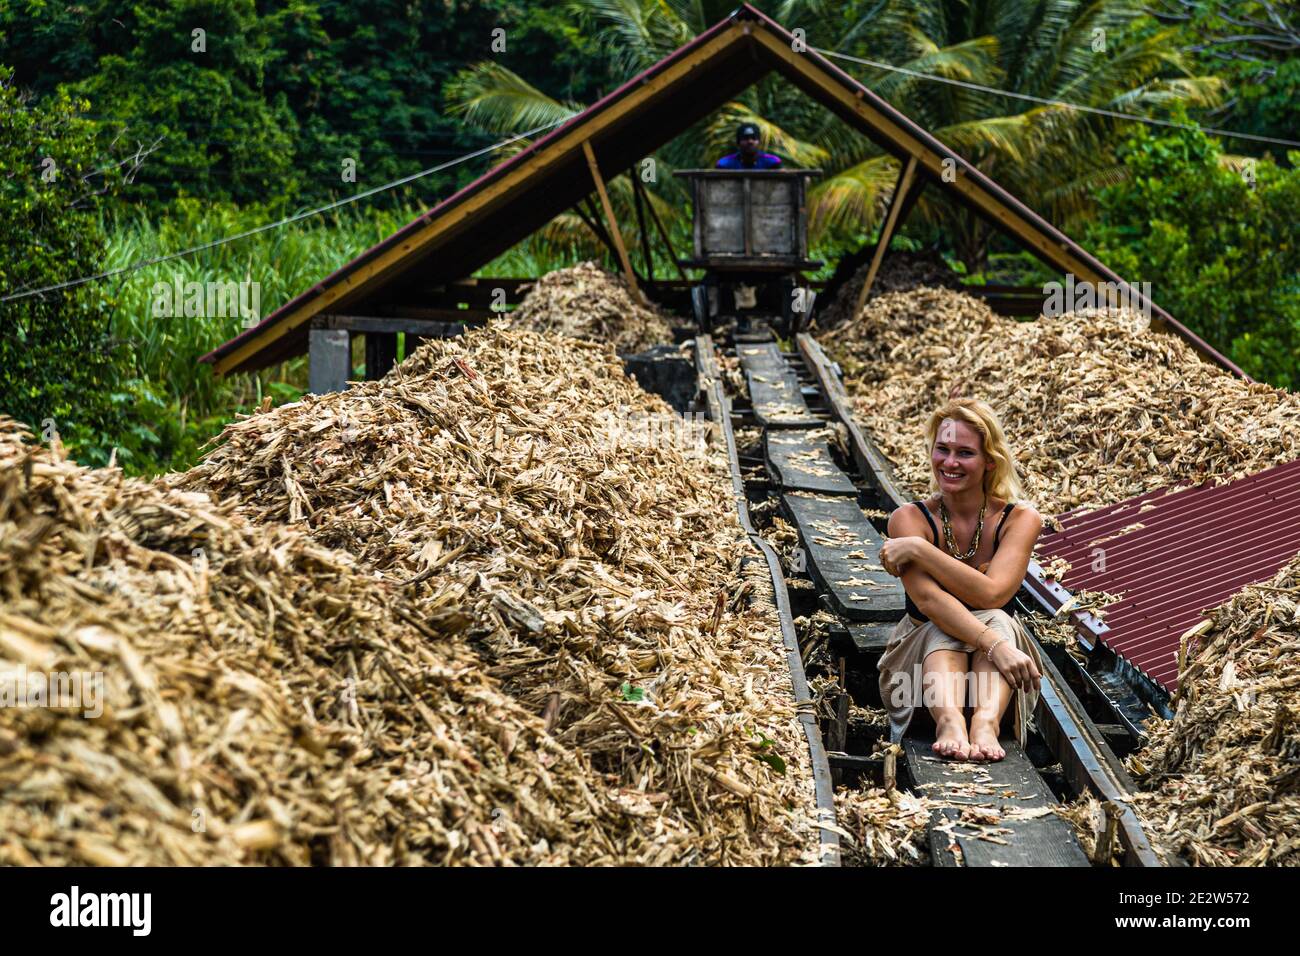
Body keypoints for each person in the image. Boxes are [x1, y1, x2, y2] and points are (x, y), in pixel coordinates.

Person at [875, 398, 1044, 763]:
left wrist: (921, 551)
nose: (949, 463)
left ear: (989, 461)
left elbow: (992, 593)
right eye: (943, 449)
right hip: (917, 683)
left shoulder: (1020, 519)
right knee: (945, 624)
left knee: (996, 616)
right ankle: (950, 720)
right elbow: (929, 601)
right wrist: (995, 644)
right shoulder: (909, 519)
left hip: (997, 679)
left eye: (964, 452)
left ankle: (985, 721)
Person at [715, 122, 783, 169]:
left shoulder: (772, 162)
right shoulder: (725, 164)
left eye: (754, 138)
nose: (750, 141)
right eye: (745, 138)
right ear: (738, 142)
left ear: (759, 141)